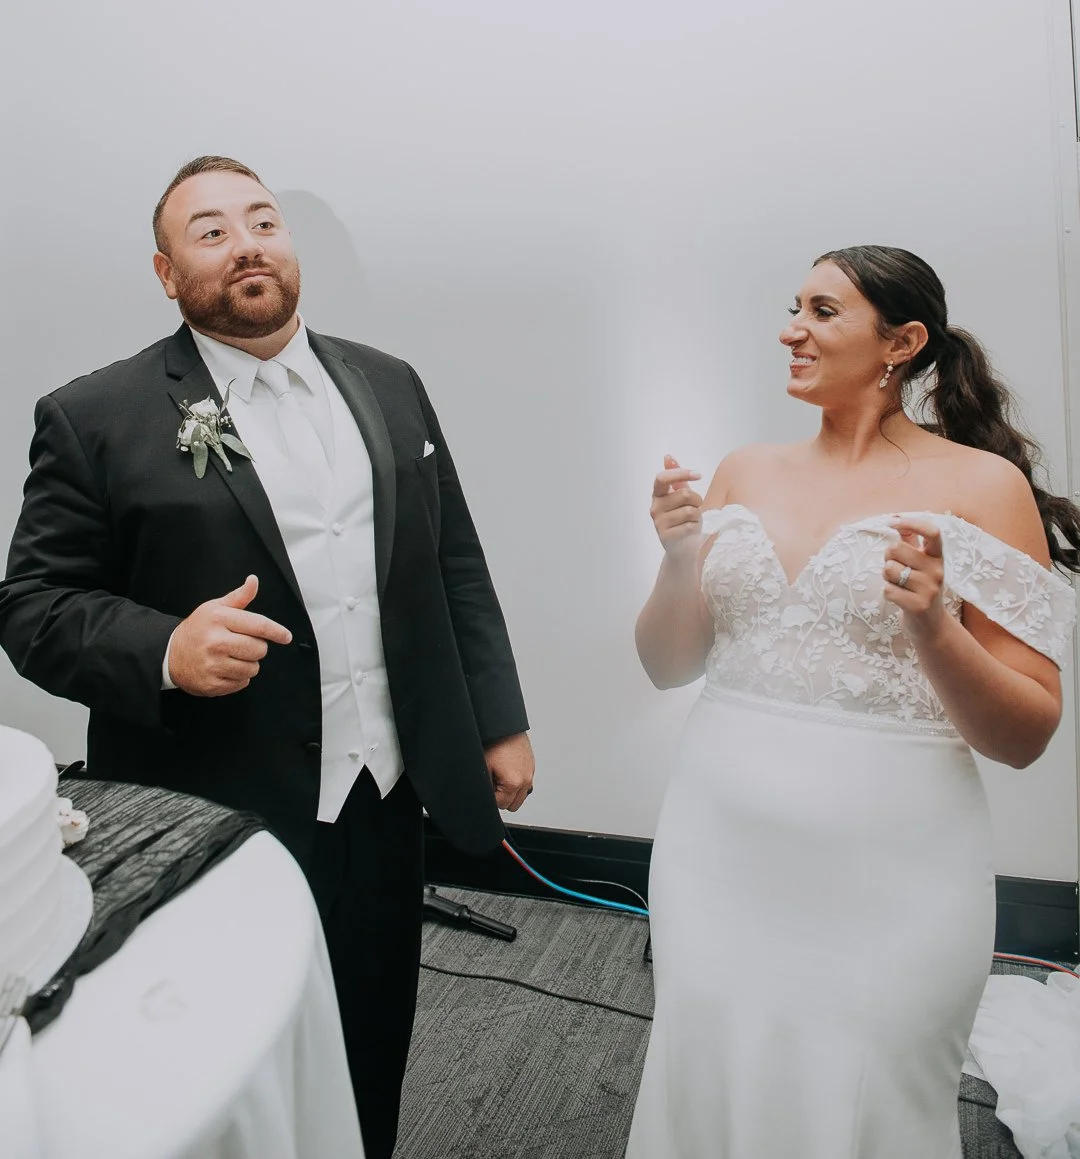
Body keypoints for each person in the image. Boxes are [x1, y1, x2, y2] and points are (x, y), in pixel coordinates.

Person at [0, 155, 535, 1159]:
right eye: (210, 231)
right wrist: (164, 646)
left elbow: (451, 558)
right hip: (216, 801)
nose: (246, 242)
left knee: (372, 1040)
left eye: (263, 221)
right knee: (222, 1049)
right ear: (167, 274)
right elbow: (31, 605)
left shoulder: (387, 380)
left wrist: (497, 716)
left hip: (384, 793)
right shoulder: (94, 415)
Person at [627, 245, 1079, 1158]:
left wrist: (934, 629)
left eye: (823, 311)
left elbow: (1027, 732)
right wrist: (680, 559)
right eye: (794, 306)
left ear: (901, 342)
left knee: (869, 1087)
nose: (791, 329)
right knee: (709, 1063)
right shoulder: (744, 470)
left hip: (895, 870)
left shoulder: (981, 487)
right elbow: (667, 665)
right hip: (716, 846)